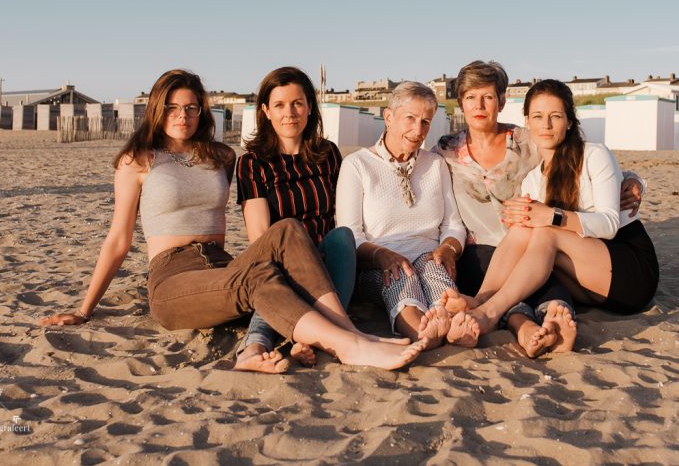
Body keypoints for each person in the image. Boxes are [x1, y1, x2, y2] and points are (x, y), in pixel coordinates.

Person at [39, 69, 425, 372]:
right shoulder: (137, 161)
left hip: (222, 264)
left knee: (287, 232)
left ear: (202, 112)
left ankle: (339, 333)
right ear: (157, 109)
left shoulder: (221, 157)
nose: (183, 116)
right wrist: (85, 309)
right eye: (172, 107)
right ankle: (349, 343)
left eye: (191, 108)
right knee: (260, 276)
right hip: (173, 275)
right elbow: (118, 239)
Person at [435, 61, 645, 357]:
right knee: (531, 239)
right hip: (512, 252)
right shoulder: (446, 151)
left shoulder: (529, 141)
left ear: (502, 102)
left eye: (488, 97)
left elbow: (604, 180)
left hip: (616, 259)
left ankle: (491, 311)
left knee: (542, 234)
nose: (545, 125)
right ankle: (505, 312)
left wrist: (634, 181)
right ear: (460, 102)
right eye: (471, 97)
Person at [336, 82, 480, 350]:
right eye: (410, 118)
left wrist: (448, 249)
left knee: (434, 268)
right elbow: (349, 235)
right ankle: (421, 331)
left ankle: (448, 320)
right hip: (375, 263)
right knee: (401, 276)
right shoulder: (357, 165)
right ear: (388, 117)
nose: (418, 130)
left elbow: (452, 225)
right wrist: (382, 255)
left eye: (425, 122)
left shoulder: (435, 164)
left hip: (427, 255)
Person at [235, 66, 357, 370]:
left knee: (343, 238)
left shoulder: (328, 154)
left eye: (297, 103)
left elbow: (343, 214)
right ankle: (257, 345)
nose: (289, 113)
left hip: (329, 260)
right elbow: (260, 237)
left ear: (309, 107)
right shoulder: (252, 163)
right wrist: (301, 262)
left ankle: (314, 336)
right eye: (279, 105)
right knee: (280, 278)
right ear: (265, 111)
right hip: (283, 264)